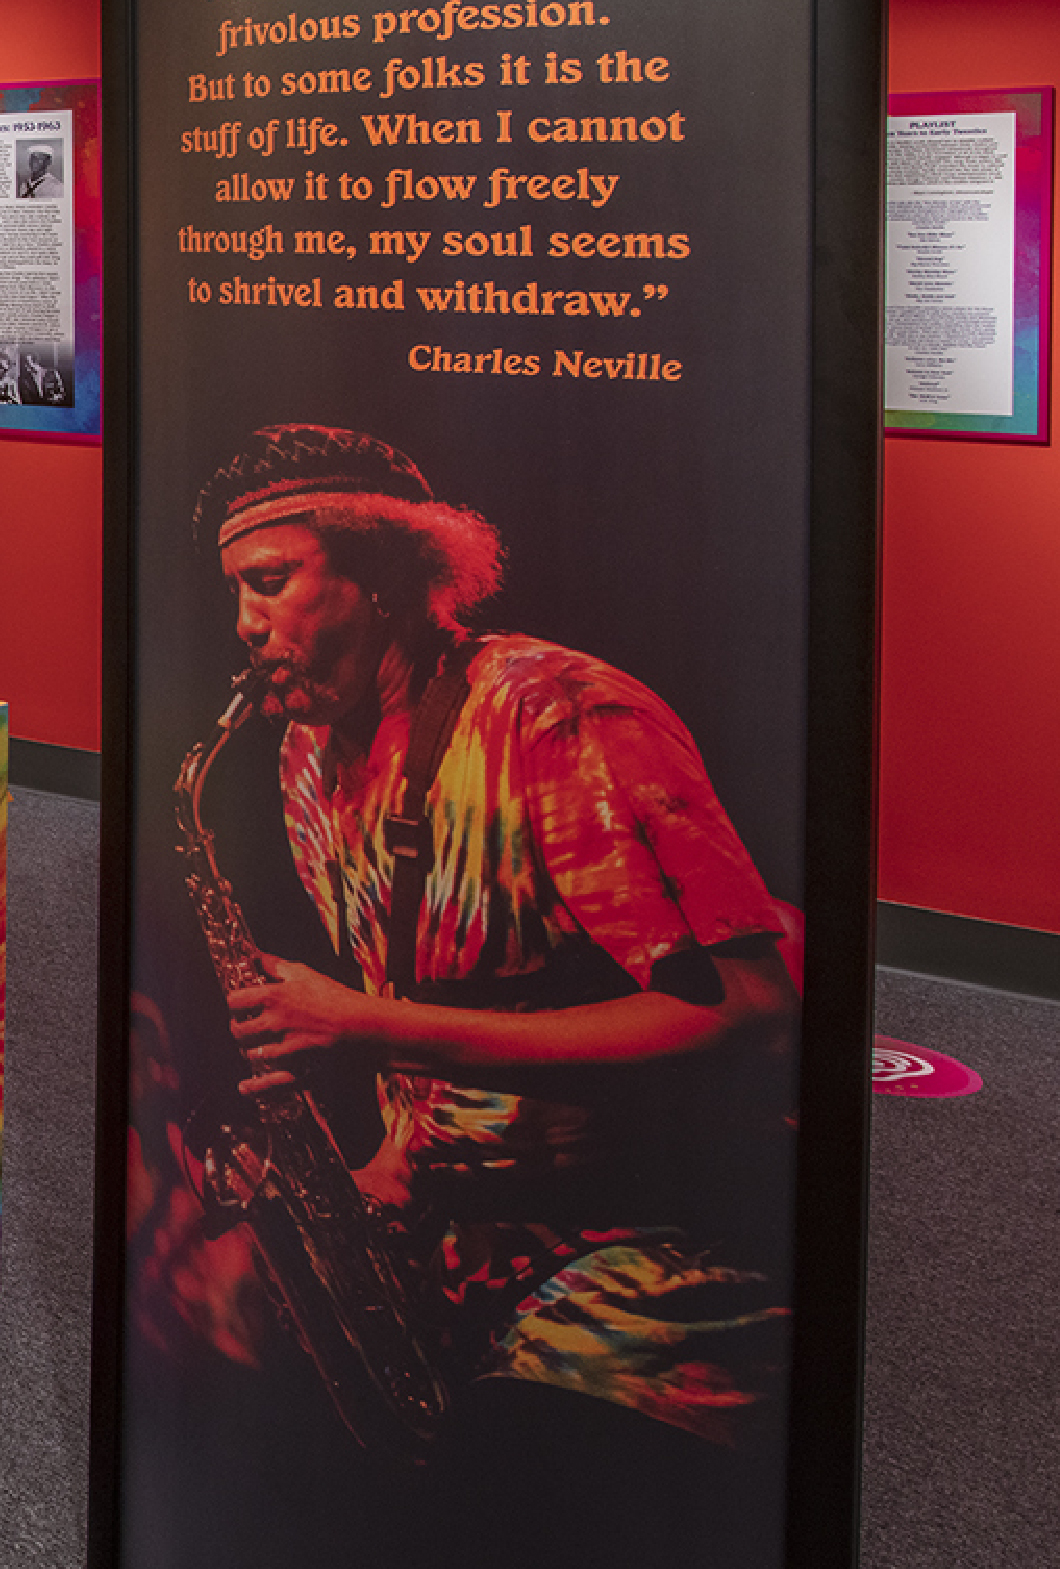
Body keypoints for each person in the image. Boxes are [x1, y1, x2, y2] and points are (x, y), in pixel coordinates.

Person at [195, 422, 797, 1444]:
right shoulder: (303, 756)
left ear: (383, 572)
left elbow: (752, 1012)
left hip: (633, 1258)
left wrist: (368, 1025)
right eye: (236, 591)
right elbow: (429, 1002)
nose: (246, 623)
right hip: (459, 1248)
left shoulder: (557, 718)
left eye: (269, 581)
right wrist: (376, 1171)